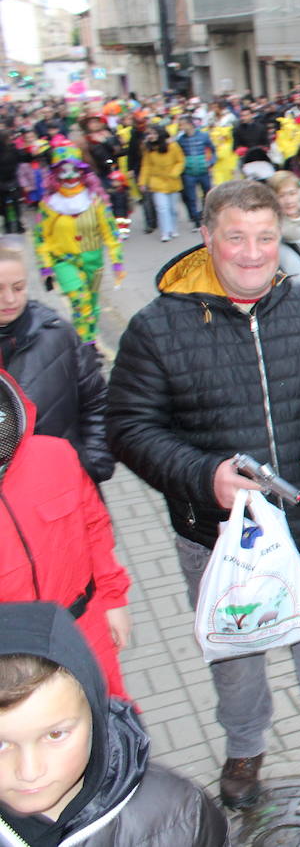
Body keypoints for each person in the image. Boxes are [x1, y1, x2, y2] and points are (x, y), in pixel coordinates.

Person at [106, 179, 300, 844]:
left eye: (265, 237)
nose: (252, 252)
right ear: (207, 236)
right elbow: (128, 427)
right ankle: (243, 748)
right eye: (236, 236)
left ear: (280, 236)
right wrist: (204, 476)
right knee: (237, 668)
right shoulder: (158, 326)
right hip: (217, 545)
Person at [0, 602, 227, 846]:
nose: (30, 772)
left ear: (95, 716)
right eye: (2, 744)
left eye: (55, 735)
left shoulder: (179, 814)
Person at [0, 371, 131, 702]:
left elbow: (94, 527)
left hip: (85, 628)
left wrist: (113, 600)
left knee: (110, 724)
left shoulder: (56, 457)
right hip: (10, 661)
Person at [0, 238, 113, 483]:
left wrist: (91, 463)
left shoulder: (58, 334)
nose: (10, 299)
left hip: (63, 493)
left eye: (18, 288)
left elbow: (96, 399)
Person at [34, 141, 125, 345]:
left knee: (92, 303)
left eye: (74, 170)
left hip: (95, 263)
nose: (69, 176)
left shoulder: (95, 201)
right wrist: (45, 267)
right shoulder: (49, 205)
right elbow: (41, 238)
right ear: (55, 175)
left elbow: (111, 233)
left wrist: (117, 261)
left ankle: (89, 340)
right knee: (80, 301)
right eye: (63, 172)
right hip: (65, 262)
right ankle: (85, 345)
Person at [137, 125, 185, 242]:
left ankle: (173, 228)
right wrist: (142, 182)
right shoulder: (148, 149)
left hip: (172, 181)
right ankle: (165, 232)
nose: (151, 136)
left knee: (172, 208)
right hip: (156, 182)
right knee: (162, 208)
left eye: (153, 133)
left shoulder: (173, 146)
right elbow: (146, 166)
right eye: (149, 134)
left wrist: (174, 173)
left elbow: (180, 161)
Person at [176, 116, 214, 229]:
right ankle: (196, 219)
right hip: (189, 173)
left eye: (182, 124)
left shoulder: (203, 136)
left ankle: (208, 217)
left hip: (203, 171)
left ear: (189, 124)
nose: (181, 127)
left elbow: (213, 149)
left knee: (207, 194)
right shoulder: (181, 140)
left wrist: (211, 162)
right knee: (191, 197)